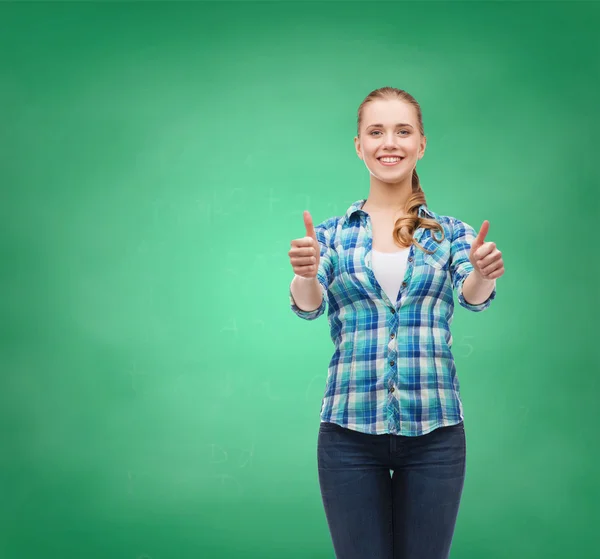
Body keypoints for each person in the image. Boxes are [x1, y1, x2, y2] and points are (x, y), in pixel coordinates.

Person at [287, 87, 504, 559]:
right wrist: (304, 275)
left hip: (435, 435)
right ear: (359, 145)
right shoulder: (331, 235)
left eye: (403, 131)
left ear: (421, 144)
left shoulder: (450, 233)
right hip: (348, 436)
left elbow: (473, 297)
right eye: (377, 131)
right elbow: (309, 304)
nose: (390, 142)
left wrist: (483, 274)